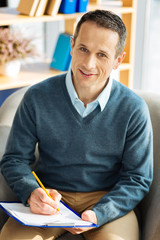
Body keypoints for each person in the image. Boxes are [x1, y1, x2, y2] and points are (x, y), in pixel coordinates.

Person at [0, 9, 153, 240]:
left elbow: (137, 179)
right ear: (72, 46)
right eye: (83, 49)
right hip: (51, 199)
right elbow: (14, 159)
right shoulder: (37, 97)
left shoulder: (133, 109)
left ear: (118, 60)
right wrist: (32, 192)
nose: (89, 63)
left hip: (106, 200)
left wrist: (100, 213)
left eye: (102, 54)